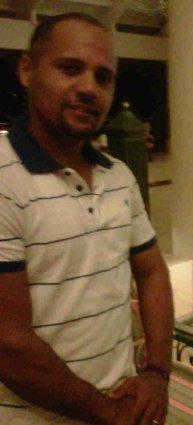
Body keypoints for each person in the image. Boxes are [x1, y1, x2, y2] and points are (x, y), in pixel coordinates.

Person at [0, 12, 174, 425]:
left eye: (103, 77)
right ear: (27, 70)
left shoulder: (119, 176)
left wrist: (157, 371)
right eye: (70, 68)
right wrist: (107, 412)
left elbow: (152, 272)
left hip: (123, 399)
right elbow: (8, 344)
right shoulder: (4, 179)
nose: (89, 88)